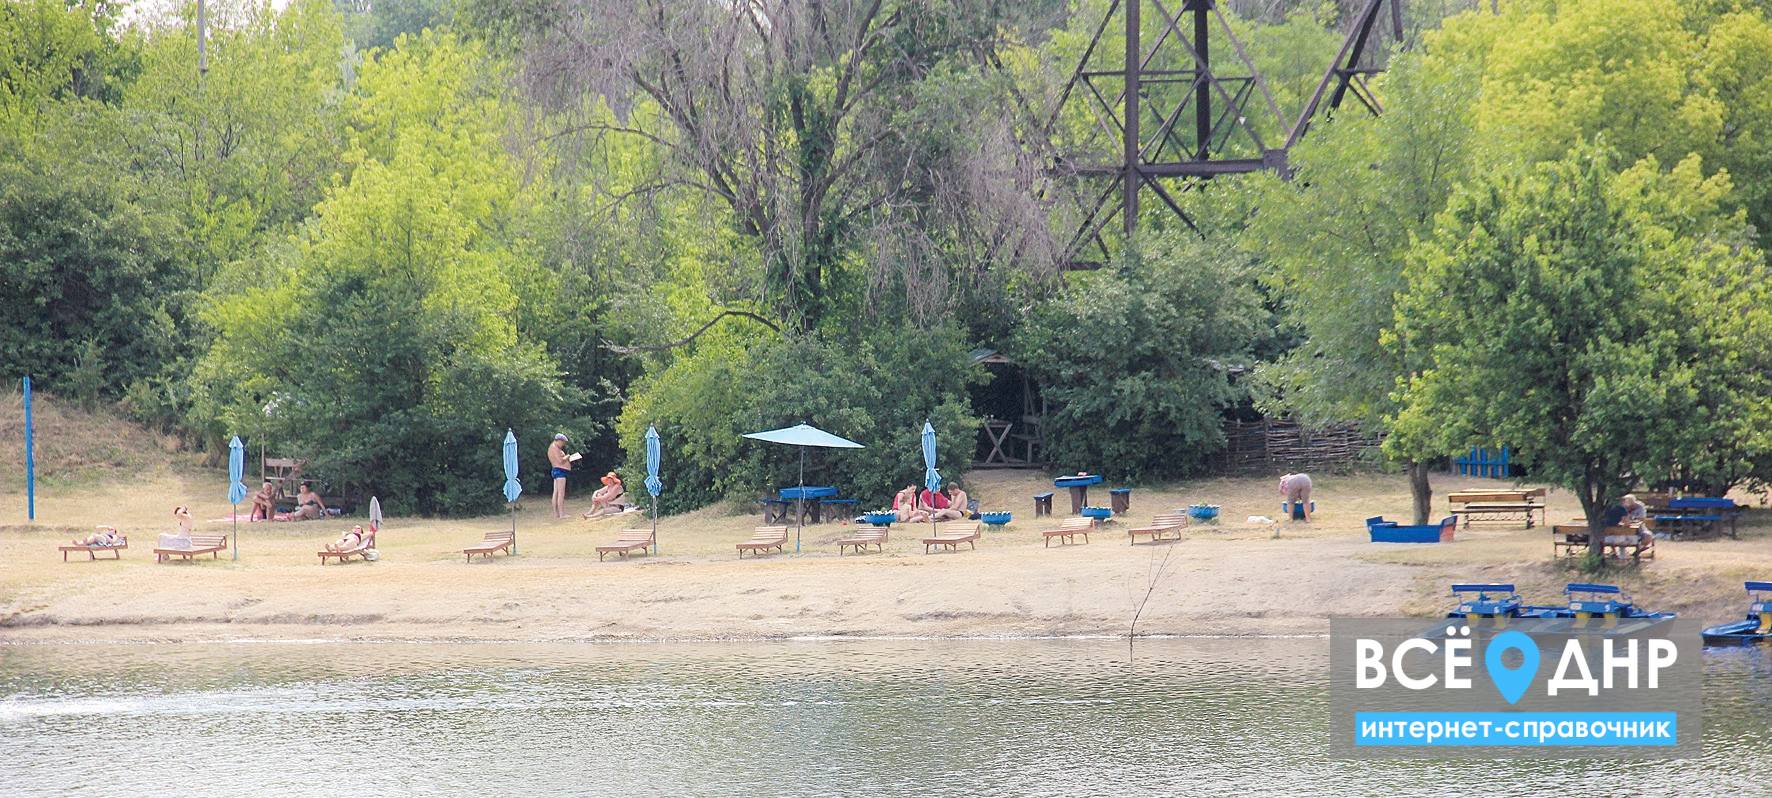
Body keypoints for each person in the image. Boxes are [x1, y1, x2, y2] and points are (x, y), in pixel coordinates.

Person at [548, 433, 573, 519]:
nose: (563, 445)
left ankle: (556, 514)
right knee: (560, 493)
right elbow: (560, 461)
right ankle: (561, 514)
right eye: (563, 443)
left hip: (557, 470)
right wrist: (567, 457)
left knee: (556, 492)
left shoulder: (554, 447)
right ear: (559, 440)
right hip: (559, 471)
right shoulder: (554, 448)